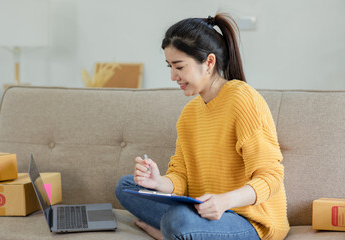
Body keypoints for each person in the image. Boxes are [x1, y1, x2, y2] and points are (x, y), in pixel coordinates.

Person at [116, 13, 290, 240]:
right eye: (169, 66)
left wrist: (224, 200)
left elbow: (271, 177)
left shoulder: (243, 99)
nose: (172, 76)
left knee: (177, 220)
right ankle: (179, 232)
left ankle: (168, 233)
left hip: (249, 220)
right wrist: (158, 181)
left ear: (209, 62)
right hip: (204, 211)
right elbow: (180, 178)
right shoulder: (189, 114)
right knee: (126, 186)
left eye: (179, 67)